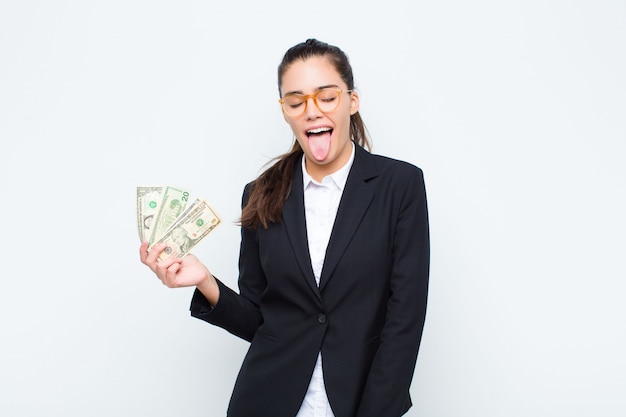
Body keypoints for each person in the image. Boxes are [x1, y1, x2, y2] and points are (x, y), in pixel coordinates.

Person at [140, 38, 430, 417]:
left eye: (327, 97)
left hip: (361, 402)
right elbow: (260, 321)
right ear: (285, 112)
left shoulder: (400, 185)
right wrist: (205, 282)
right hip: (267, 401)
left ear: (352, 101)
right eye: (296, 102)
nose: (312, 112)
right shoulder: (261, 194)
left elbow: (405, 320)